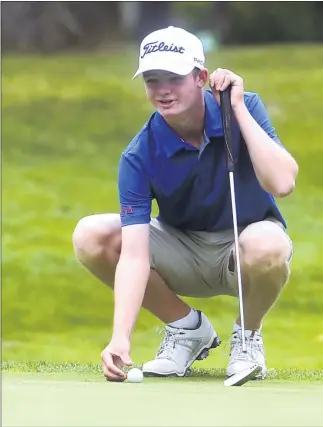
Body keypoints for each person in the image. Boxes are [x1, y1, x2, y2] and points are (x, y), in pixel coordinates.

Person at [72, 26, 299, 382]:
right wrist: (120, 337)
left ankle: (247, 337)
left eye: (174, 78)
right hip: (181, 250)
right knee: (91, 235)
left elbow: (283, 183)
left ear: (201, 78)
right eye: (152, 79)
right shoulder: (140, 152)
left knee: (267, 244)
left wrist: (236, 108)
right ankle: (186, 328)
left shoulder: (243, 107)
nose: (163, 90)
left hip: (243, 250)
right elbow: (133, 255)